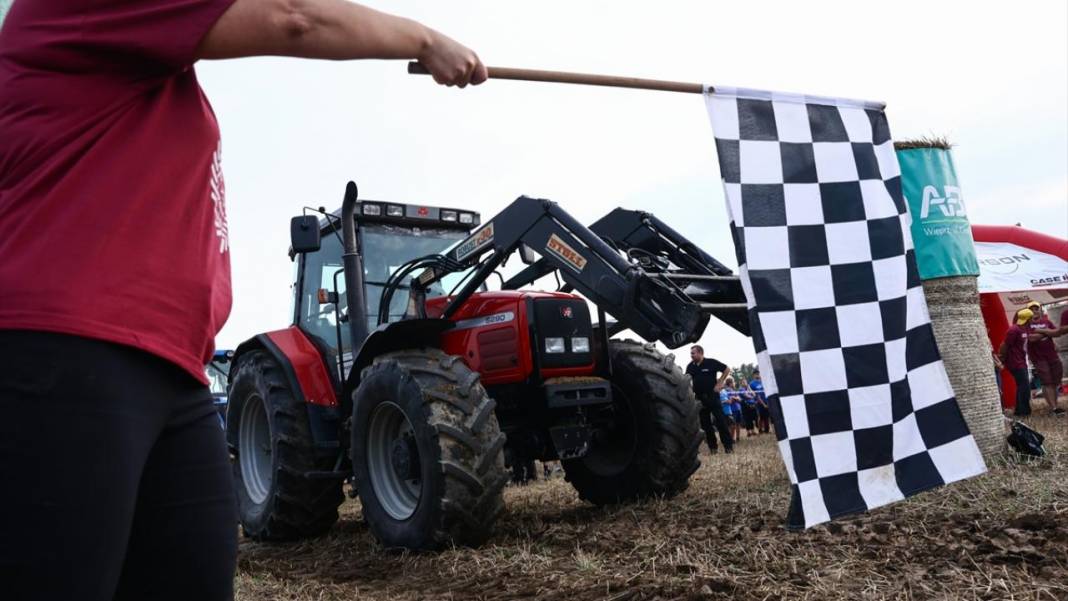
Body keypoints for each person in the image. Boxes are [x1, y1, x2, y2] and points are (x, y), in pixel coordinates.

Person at [0, 2, 486, 599]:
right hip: (72, 352)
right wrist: (425, 38)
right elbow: (293, 16)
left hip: (175, 372)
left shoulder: (155, 75)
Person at [686, 345, 734, 454]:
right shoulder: (690, 366)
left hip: (712, 396)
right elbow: (687, 379)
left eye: (693, 353)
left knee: (721, 421)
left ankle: (728, 446)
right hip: (699, 399)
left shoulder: (711, 362)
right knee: (706, 424)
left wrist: (720, 383)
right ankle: (713, 448)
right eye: (691, 353)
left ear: (700, 353)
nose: (691, 355)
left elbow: (726, 369)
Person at [1024, 301, 1067, 415]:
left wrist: (1042, 331)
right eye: (1031, 309)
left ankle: (1054, 405)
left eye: (1036, 308)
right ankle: (1054, 408)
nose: (1034, 311)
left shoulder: (1046, 321)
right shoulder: (1025, 324)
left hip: (1052, 354)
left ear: (1040, 310)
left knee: (1056, 381)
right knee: (1047, 382)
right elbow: (1032, 338)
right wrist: (1049, 333)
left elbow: (1058, 333)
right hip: (1038, 358)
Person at [1002, 309, 1035, 416]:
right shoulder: (1014, 330)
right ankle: (1023, 411)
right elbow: (1004, 345)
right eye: (1031, 318)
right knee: (1024, 385)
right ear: (1028, 319)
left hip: (1021, 360)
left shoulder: (1025, 328)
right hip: (1014, 362)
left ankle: (1019, 410)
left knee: (1022, 385)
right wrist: (1001, 359)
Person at [719, 377, 740, 444]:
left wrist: (730, 400)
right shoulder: (717, 392)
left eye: (723, 382)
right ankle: (728, 440)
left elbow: (730, 400)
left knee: (733, 425)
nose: (723, 384)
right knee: (727, 427)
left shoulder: (725, 391)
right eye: (721, 382)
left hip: (729, 411)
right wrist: (725, 401)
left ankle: (731, 439)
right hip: (723, 412)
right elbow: (718, 402)